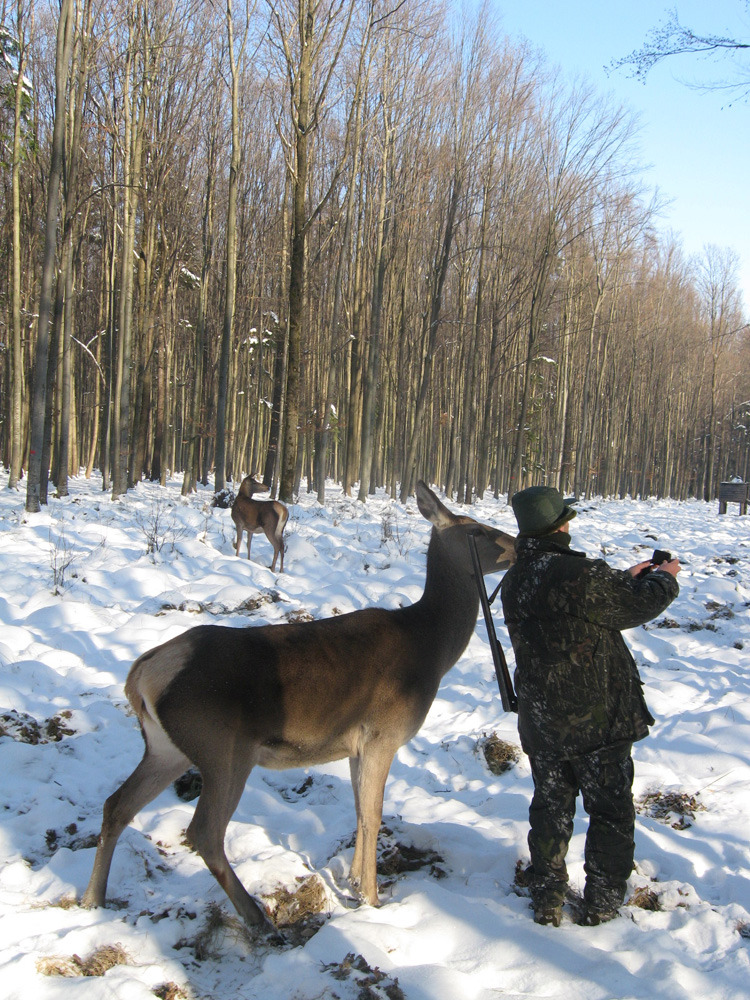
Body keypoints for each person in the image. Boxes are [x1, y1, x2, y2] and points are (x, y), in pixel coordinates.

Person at [500, 485, 680, 927]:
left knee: (550, 808)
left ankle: (546, 897)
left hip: (541, 720)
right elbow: (635, 604)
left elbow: (580, 602)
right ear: (560, 525)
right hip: (598, 722)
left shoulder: (516, 578)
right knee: (611, 811)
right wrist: (664, 576)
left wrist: (622, 576)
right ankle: (601, 902)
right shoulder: (578, 574)